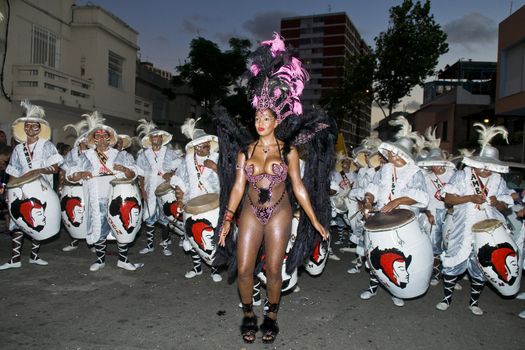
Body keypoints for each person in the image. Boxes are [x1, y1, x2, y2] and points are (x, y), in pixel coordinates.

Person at [217, 33, 331, 344]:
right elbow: (239, 188)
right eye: (257, 116)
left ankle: (271, 315)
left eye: (267, 117)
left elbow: (300, 187)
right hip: (250, 212)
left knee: (274, 272)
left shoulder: (289, 150)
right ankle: (248, 314)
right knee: (243, 270)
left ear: (277, 118)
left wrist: (316, 220)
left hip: (279, 210)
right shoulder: (246, 150)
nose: (261, 121)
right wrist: (227, 220)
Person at [436, 123, 513, 316]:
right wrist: (469, 198)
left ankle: (474, 302)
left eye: (490, 167)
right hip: (462, 227)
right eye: (483, 166)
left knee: (482, 265)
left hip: (488, 230)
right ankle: (446, 299)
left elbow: (506, 206)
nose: (486, 170)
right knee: (453, 263)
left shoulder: (498, 180)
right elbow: (448, 199)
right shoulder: (462, 176)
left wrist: (497, 203)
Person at [359, 116, 429, 307]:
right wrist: (368, 201)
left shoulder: (415, 173)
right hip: (381, 216)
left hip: (404, 219)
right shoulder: (385, 169)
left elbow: (422, 196)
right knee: (374, 254)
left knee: (398, 256)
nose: (392, 156)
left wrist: (398, 201)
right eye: (390, 153)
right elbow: (372, 188)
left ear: (405, 155)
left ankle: (397, 290)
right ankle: (373, 287)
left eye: (396, 154)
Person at [67, 112, 140, 272]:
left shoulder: (121, 154)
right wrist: (80, 174)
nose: (101, 139)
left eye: (104, 135)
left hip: (118, 197)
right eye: (97, 136)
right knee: (98, 228)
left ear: (110, 138)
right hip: (96, 197)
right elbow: (71, 175)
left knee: (121, 226)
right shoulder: (85, 156)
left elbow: (135, 172)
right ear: (93, 139)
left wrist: (125, 169)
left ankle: (123, 259)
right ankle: (100, 260)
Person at [0, 100, 63, 270]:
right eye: (27, 125)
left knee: (37, 221)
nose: (31, 128)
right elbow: (13, 171)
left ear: (40, 128)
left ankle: (34, 256)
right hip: (21, 190)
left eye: (35, 125)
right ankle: (15, 259)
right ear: (24, 128)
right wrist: (8, 190)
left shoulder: (47, 146)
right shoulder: (18, 149)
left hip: (42, 188)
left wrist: (38, 171)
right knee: (18, 221)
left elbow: (56, 168)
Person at [171, 118, 222, 282]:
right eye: (202, 145)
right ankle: (197, 268)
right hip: (192, 204)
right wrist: (180, 200)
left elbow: (230, 179)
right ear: (195, 147)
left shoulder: (216, 159)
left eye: (207, 144)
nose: (206, 147)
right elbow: (179, 183)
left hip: (215, 204)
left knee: (213, 237)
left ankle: (215, 270)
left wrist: (214, 167)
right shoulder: (185, 163)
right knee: (192, 237)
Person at [136, 120, 183, 257]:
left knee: (165, 219)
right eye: (154, 136)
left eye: (159, 136)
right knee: (149, 217)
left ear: (162, 138)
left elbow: (179, 169)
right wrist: (143, 191)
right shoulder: (143, 155)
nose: (157, 138)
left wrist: (171, 176)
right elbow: (140, 175)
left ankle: (165, 245)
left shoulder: (170, 153)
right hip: (149, 190)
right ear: (150, 139)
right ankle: (150, 245)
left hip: (166, 192)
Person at [417, 127, 456, 286]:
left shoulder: (453, 175)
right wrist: (427, 213)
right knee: (434, 245)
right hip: (432, 213)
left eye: (439, 164)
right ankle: (436, 273)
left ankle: (451, 274)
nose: (437, 167)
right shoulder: (426, 178)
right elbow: (422, 198)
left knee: (451, 245)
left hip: (450, 214)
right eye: (433, 164)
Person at [347, 132, 383, 274]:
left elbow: (379, 193)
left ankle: (377, 270)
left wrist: (366, 201)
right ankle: (358, 264)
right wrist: (359, 200)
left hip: (374, 210)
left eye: (370, 154)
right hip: (362, 209)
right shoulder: (361, 171)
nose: (367, 157)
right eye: (366, 154)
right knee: (361, 236)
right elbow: (355, 190)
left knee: (373, 240)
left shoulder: (381, 172)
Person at [59, 119, 90, 252]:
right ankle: (74, 241)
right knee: (73, 215)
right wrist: (60, 186)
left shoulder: (94, 153)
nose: (84, 141)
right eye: (82, 138)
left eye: (87, 138)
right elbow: (63, 169)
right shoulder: (72, 153)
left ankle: (93, 243)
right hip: (72, 189)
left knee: (90, 215)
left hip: (88, 189)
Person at [328, 153, 355, 257]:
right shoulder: (337, 174)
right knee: (339, 220)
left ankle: (351, 242)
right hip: (338, 200)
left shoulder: (354, 175)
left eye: (348, 163)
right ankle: (340, 239)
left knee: (350, 221)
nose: (347, 165)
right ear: (341, 164)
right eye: (345, 162)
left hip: (350, 200)